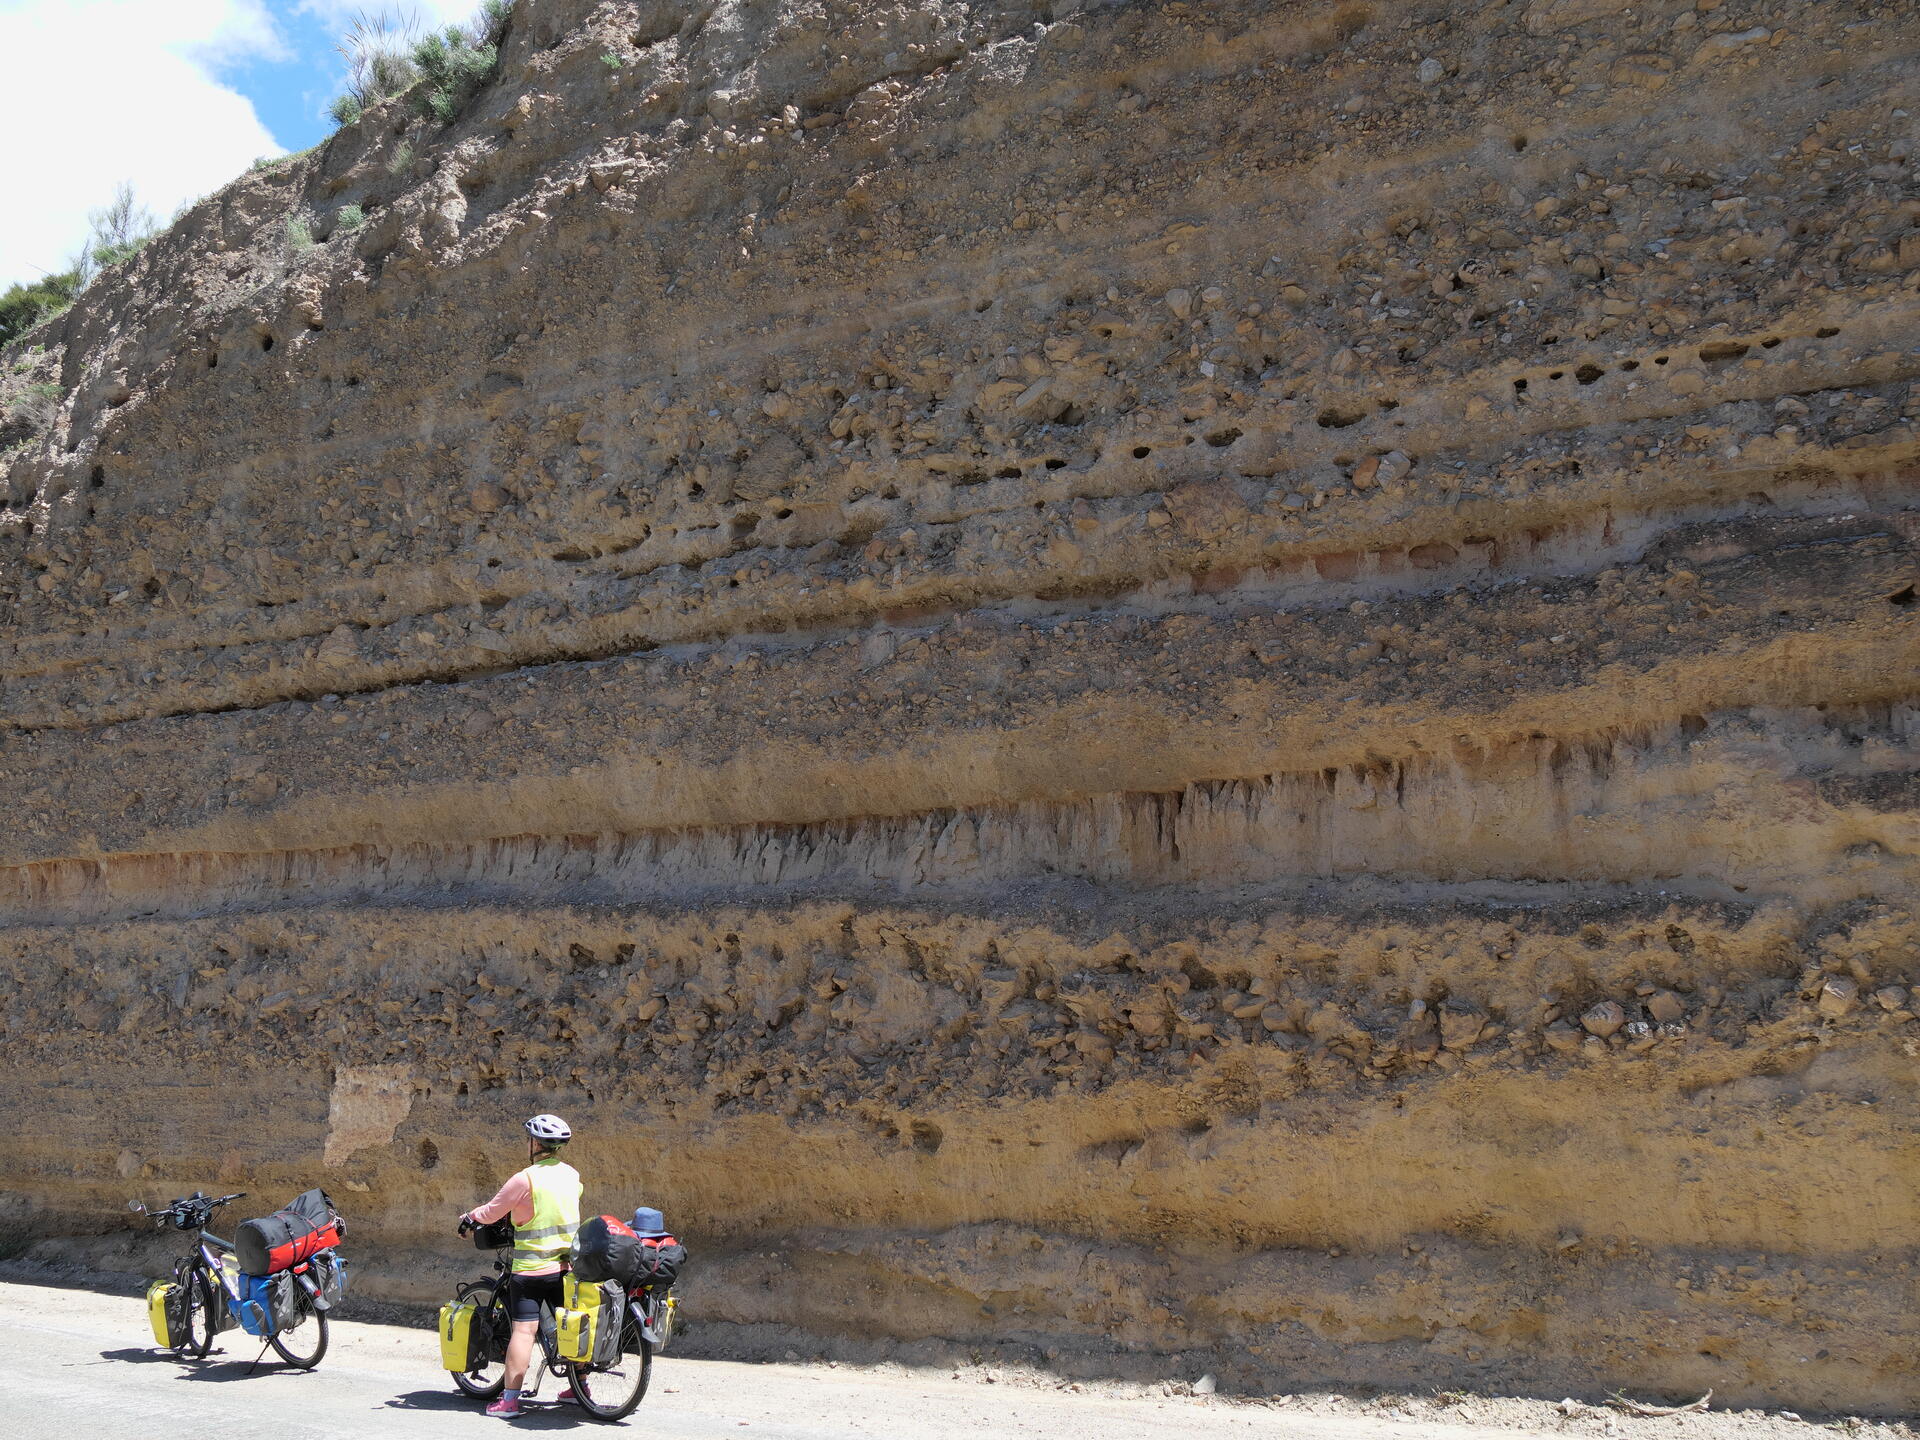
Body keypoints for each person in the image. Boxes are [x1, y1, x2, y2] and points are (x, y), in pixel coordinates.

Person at [459, 1113, 582, 1418]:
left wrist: (470, 1217)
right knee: (569, 1326)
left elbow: (492, 1211)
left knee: (524, 1331)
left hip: (531, 1271)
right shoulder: (572, 1175)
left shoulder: (525, 1179)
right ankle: (580, 1388)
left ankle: (510, 1401)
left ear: (535, 1144)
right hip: (566, 1268)